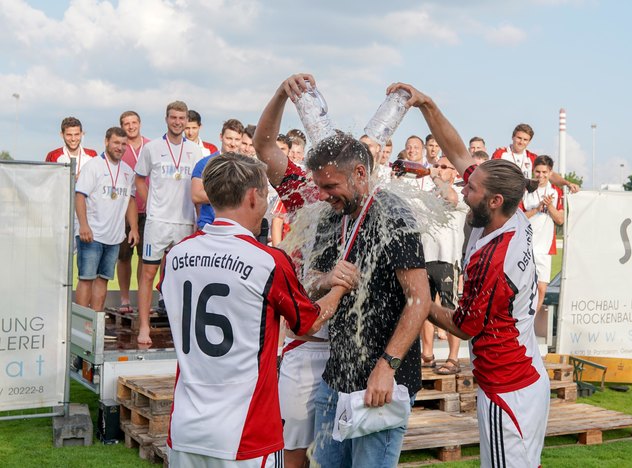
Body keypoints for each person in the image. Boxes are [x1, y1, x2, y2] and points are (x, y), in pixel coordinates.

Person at [254, 73, 431, 468]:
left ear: (361, 173)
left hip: (379, 379)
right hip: (336, 375)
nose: (323, 195)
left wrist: (387, 367)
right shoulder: (331, 212)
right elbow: (312, 278)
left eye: (331, 186)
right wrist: (326, 279)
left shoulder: (393, 213)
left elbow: (418, 300)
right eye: (320, 186)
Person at [161, 152, 353, 467]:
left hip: (185, 427)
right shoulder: (269, 260)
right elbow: (309, 323)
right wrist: (339, 287)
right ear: (253, 196)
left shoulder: (176, 255)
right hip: (246, 434)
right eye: (265, 195)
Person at [395, 81, 550, 468]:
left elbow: (464, 327)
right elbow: (458, 150)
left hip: (507, 388)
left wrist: (420, 299)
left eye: (472, 189)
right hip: (525, 373)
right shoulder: (508, 211)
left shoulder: (493, 262)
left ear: (494, 201)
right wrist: (426, 104)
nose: (464, 190)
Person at [134, 101, 199, 345]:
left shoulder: (194, 150)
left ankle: (183, 327)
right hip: (157, 222)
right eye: (173, 117)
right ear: (166, 119)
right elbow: (140, 179)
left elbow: (198, 184)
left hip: (184, 222)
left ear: (186, 120)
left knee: (183, 276)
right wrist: (151, 204)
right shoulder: (152, 148)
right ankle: (143, 327)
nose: (177, 122)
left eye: (182, 118)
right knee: (148, 273)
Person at [75, 127, 139, 319]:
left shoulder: (128, 172)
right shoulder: (93, 166)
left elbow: (130, 201)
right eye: (116, 143)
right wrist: (84, 225)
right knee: (86, 279)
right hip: (92, 234)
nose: (119, 147)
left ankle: (95, 324)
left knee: (103, 279)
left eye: (123, 144)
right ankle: (81, 326)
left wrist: (134, 228)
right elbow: (80, 196)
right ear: (106, 142)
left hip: (114, 237)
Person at [419, 156, 468, 375]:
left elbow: (450, 198)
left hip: (447, 258)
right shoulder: (426, 195)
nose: (437, 170)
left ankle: (453, 357)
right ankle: (427, 354)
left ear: (454, 173)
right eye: (436, 166)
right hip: (425, 258)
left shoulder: (460, 194)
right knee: (424, 308)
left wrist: (437, 180)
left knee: (449, 309)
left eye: (443, 167)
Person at [116, 110, 150, 313]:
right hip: (123, 211)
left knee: (145, 258)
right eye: (126, 123)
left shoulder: (151, 146)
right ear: (122, 126)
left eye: (134, 122)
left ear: (140, 123)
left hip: (148, 210)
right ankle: (124, 299)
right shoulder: (119, 147)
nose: (130, 126)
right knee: (124, 256)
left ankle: (141, 299)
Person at [522, 155, 564, 315]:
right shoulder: (525, 190)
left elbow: (560, 220)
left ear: (550, 172)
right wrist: (537, 209)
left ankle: (529, 321)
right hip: (525, 245)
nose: (541, 175)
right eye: (538, 172)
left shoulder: (556, 191)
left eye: (544, 172)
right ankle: (519, 320)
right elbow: (518, 218)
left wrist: (549, 206)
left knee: (541, 288)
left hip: (545, 247)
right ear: (533, 171)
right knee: (522, 288)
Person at [493, 123, 579, 193]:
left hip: (523, 201)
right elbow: (491, 174)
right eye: (519, 138)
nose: (521, 142)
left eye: (525, 139)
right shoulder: (500, 154)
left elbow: (550, 174)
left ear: (529, 141)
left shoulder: (531, 157)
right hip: (505, 197)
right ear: (513, 137)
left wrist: (568, 183)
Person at [191, 118, 245, 229]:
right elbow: (196, 195)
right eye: (229, 138)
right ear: (221, 137)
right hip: (208, 226)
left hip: (237, 227)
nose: (233, 144)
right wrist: (230, 195)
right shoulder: (204, 163)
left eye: (237, 139)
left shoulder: (246, 166)